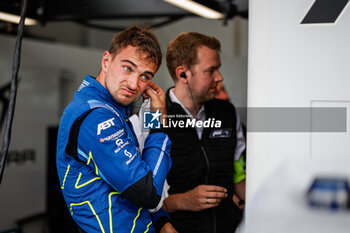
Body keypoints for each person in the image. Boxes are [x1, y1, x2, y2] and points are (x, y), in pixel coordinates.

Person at [56, 26, 177, 233]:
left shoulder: (113, 112)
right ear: (106, 61)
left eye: (145, 76)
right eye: (128, 68)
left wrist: (160, 221)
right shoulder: (96, 117)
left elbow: (138, 174)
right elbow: (149, 192)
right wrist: (158, 123)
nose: (133, 84)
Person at [159, 32, 246, 233]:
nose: (219, 77)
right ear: (183, 74)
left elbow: (239, 176)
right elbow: (139, 193)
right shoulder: (153, 115)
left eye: (219, 69)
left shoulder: (228, 112)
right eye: (211, 70)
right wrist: (182, 201)